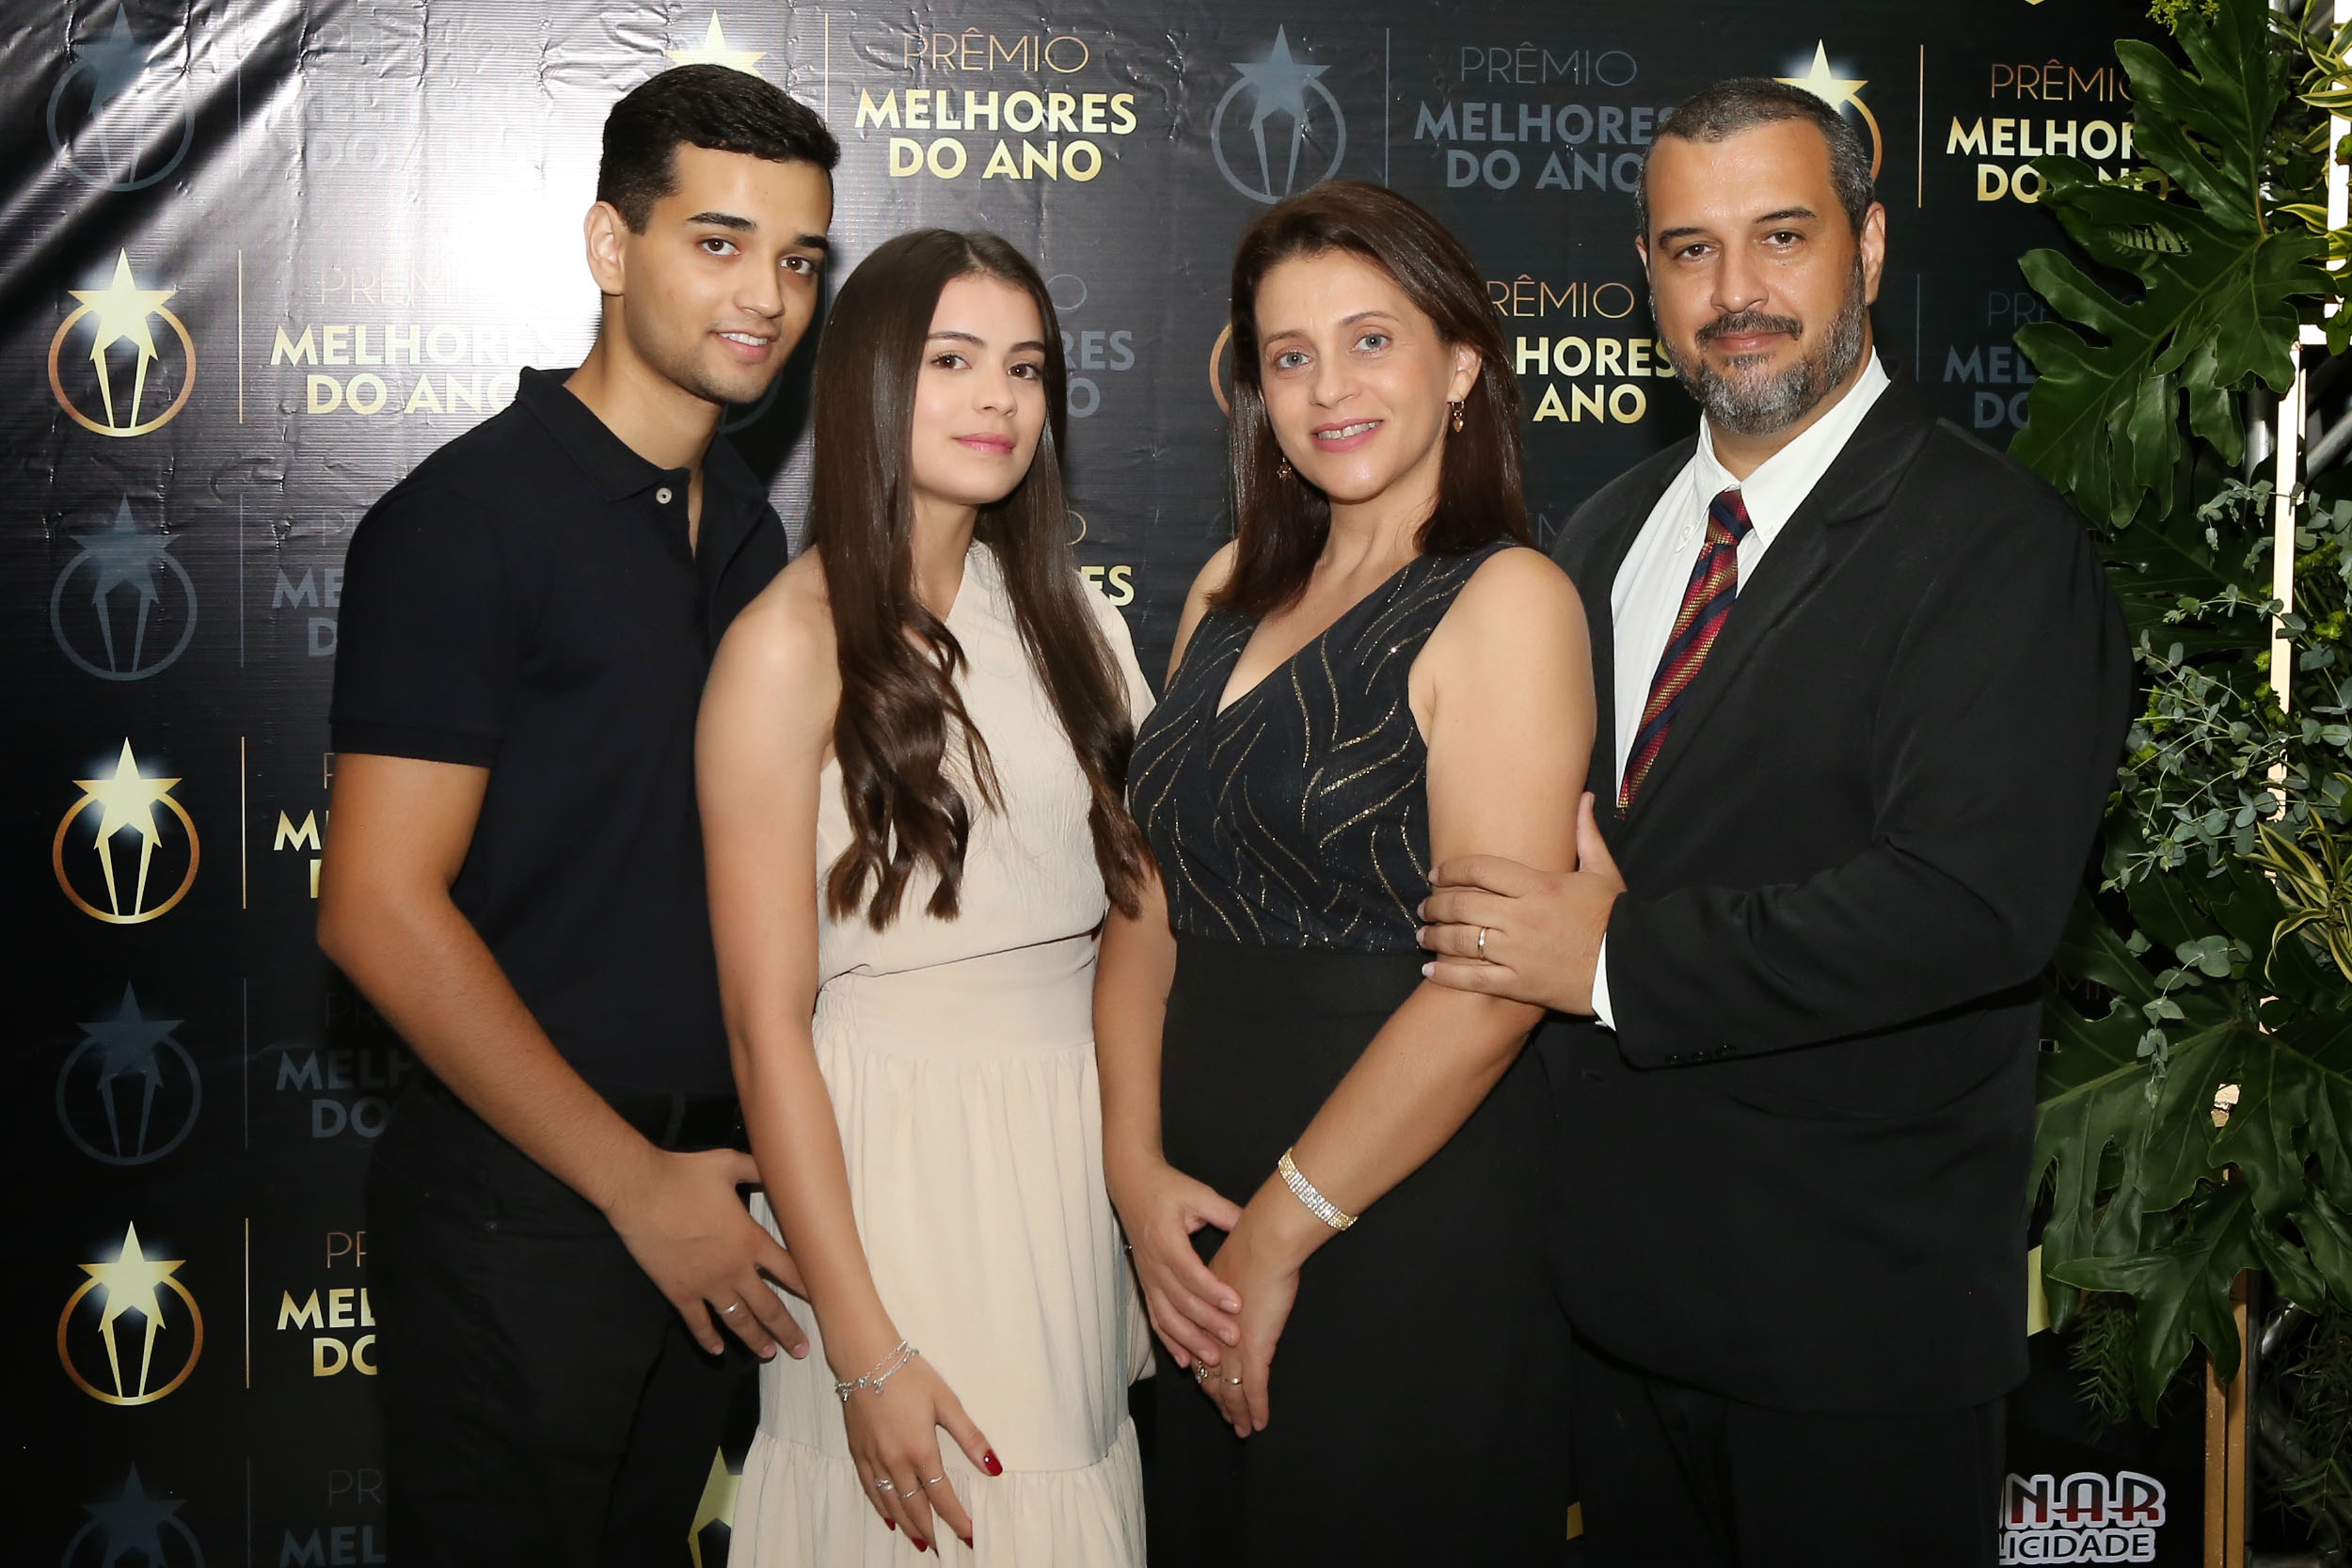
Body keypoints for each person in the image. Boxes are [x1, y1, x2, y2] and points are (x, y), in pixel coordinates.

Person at [1415, 79, 2132, 1567]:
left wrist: (1612, 960)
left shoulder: (1996, 546)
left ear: (1869, 246)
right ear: (1647, 276)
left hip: (1853, 1344)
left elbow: (1968, 909)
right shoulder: (1602, 536)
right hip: (1613, 1321)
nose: (1735, 291)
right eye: (1691, 249)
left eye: (1782, 237)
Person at [315, 66, 837, 1565]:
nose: (767, 296)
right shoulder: (467, 519)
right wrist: (631, 1184)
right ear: (613, 245)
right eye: (719, 243)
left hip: (713, 1207)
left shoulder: (750, 534)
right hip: (527, 1214)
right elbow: (374, 909)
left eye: (800, 258)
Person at [1104, 180, 1591, 1564]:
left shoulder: (1506, 600)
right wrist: (1135, 1174)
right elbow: (1146, 908)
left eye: (1372, 340)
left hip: (1398, 1216)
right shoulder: (1224, 590)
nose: (1329, 388)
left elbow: (1493, 982)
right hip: (1197, 1210)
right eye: (1290, 355)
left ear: (1462, 362)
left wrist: (1278, 1233)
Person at [699, 230, 1157, 1564]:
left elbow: (1142, 907)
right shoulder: (786, 644)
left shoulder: (1075, 621)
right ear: (873, 382)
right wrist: (863, 1347)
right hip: (887, 1160)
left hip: (1067, 1144)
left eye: (1026, 367)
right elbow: (764, 1027)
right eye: (952, 361)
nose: (998, 399)